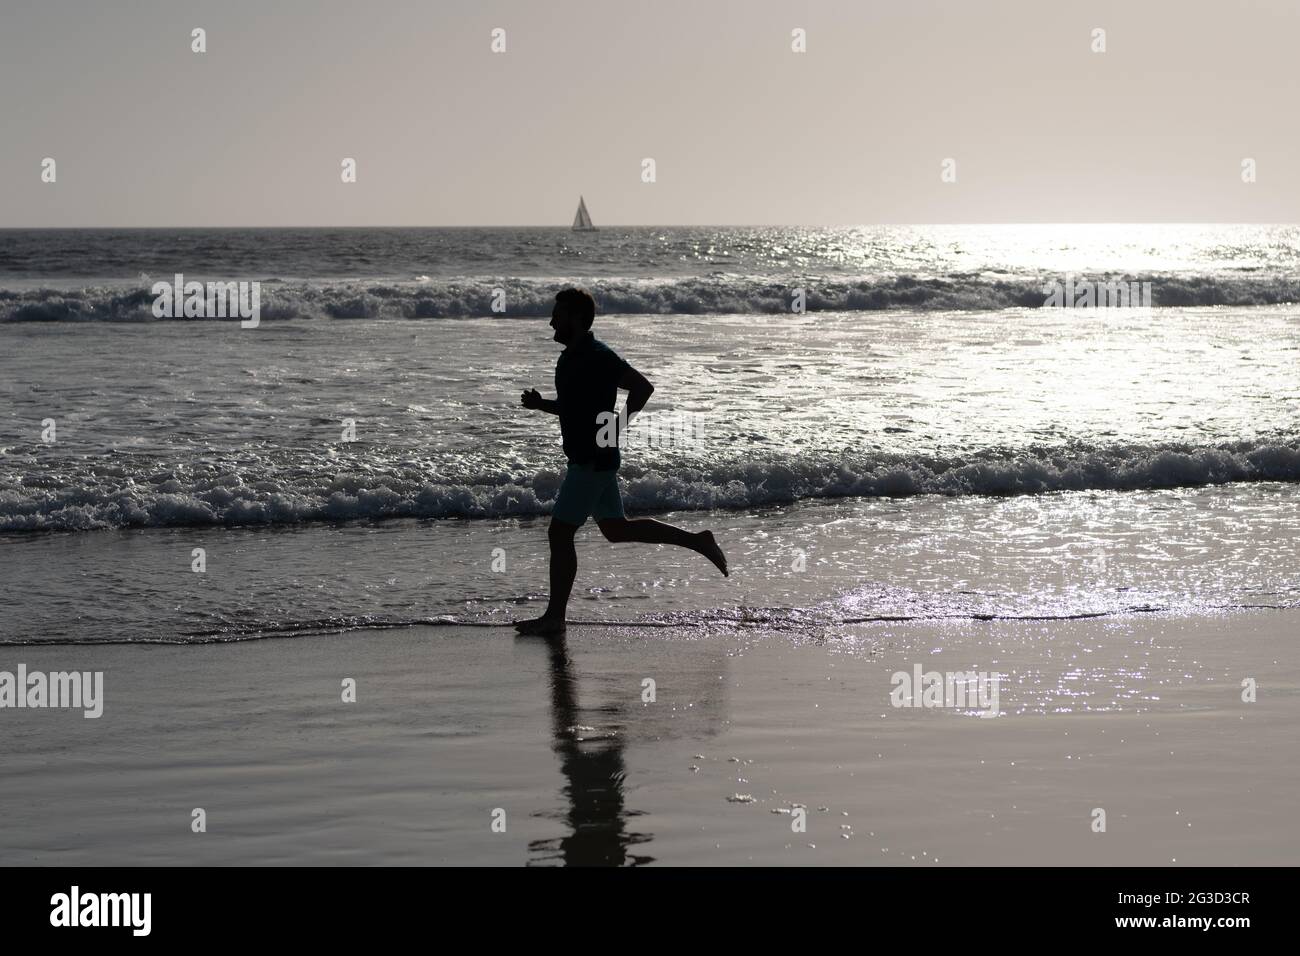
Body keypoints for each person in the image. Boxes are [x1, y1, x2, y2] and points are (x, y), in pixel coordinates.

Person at [516, 288, 727, 636]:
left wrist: (619, 424)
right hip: (593, 459)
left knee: (559, 532)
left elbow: (643, 388)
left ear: (578, 319)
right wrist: (543, 405)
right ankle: (698, 540)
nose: (552, 320)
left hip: (593, 461)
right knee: (616, 529)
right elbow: (575, 407)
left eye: (559, 314)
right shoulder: (571, 357)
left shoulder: (599, 356)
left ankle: (555, 618)